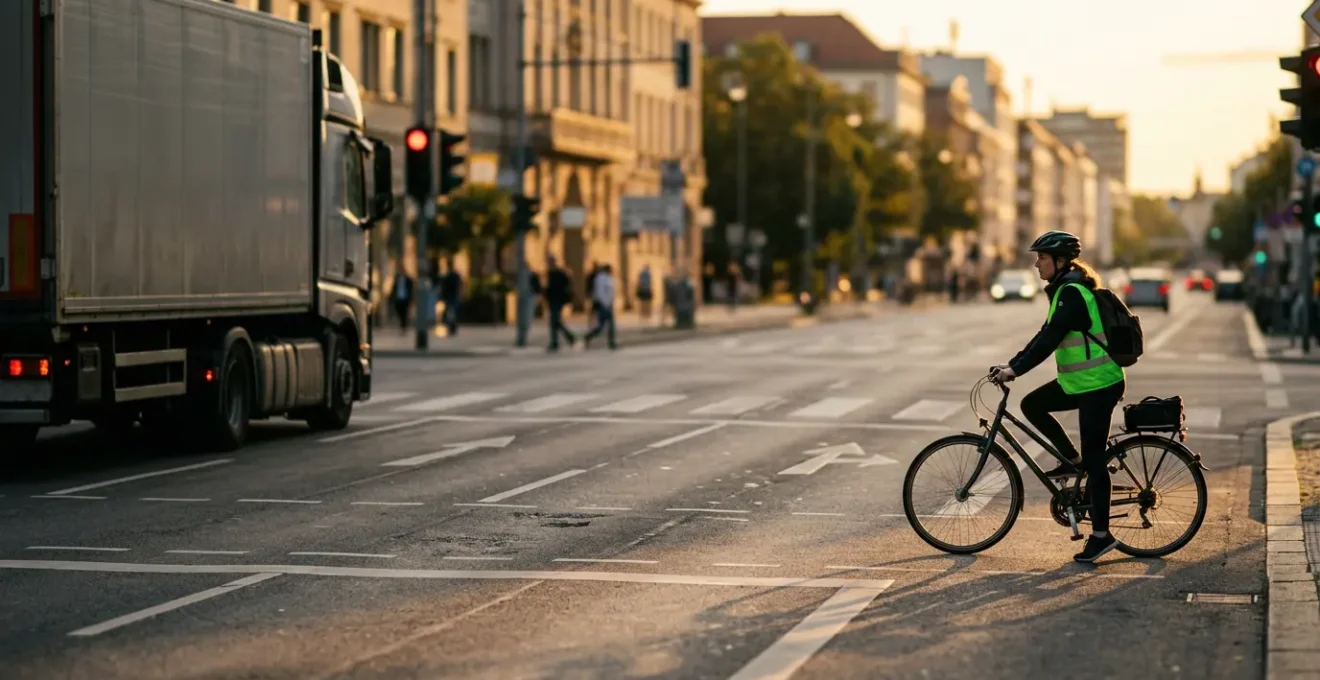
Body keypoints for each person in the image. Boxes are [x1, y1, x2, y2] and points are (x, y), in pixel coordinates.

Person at [989, 230, 1126, 563]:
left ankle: (1101, 535)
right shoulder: (1065, 291)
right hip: (1081, 383)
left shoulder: (1072, 294)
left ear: (1061, 261)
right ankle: (1071, 460)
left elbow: (1049, 339)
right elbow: (1044, 334)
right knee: (1032, 405)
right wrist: (1012, 363)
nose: (1036, 264)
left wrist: (1015, 370)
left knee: (1096, 462)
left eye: (1042, 258)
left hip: (1098, 384)